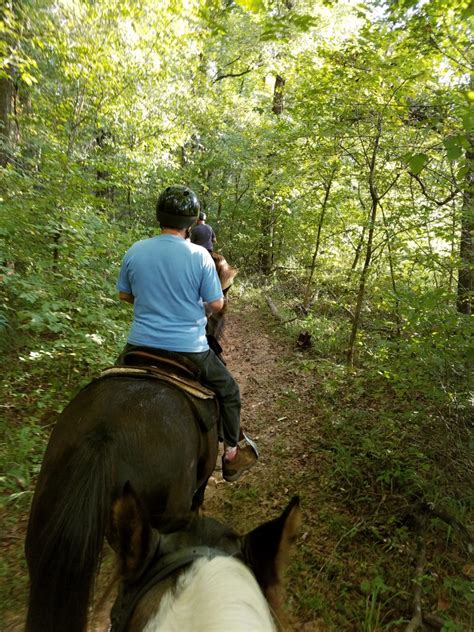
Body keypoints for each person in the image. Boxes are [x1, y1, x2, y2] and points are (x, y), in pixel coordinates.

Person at [116, 185, 257, 482]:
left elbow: (125, 296)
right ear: (192, 223)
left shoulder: (135, 250)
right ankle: (232, 453)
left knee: (109, 381)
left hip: (138, 345)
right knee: (229, 391)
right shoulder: (200, 257)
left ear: (159, 217)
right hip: (189, 350)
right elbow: (217, 302)